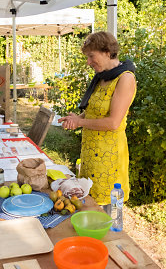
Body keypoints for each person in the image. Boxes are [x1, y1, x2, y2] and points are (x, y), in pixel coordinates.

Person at [58, 31, 136, 207]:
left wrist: (81, 122)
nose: (88, 62)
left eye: (91, 56)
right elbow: (94, 111)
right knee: (90, 208)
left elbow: (113, 122)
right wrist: (77, 118)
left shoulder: (125, 78)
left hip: (110, 160)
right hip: (92, 156)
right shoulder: (102, 78)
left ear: (107, 52)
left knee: (110, 217)